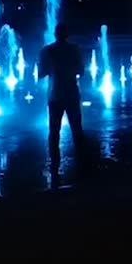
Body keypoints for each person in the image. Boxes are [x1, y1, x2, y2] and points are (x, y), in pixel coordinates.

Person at [39, 23, 85, 172]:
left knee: (54, 131)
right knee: (77, 129)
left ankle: (54, 165)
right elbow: (81, 71)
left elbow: (41, 74)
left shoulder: (47, 51)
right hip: (71, 93)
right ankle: (82, 164)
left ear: (55, 34)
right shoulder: (75, 49)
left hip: (55, 95)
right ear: (67, 34)